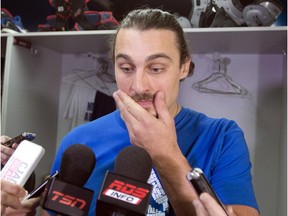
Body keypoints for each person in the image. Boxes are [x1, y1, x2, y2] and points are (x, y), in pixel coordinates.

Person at [50, 8, 259, 216]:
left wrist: (165, 154)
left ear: (184, 67)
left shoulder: (221, 137)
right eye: (126, 68)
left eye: (156, 68)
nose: (139, 87)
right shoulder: (78, 141)